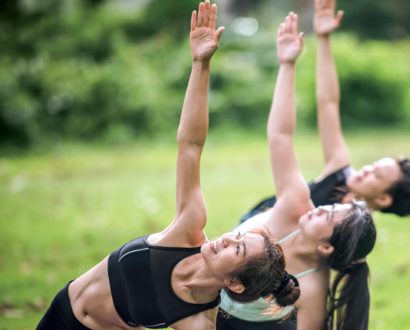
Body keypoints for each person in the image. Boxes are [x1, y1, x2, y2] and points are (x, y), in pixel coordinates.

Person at [36, 2, 298, 329]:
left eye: (238, 248)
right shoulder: (188, 229)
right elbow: (190, 145)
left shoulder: (197, 320)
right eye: (236, 237)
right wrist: (200, 63)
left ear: (234, 284)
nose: (227, 238)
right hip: (63, 312)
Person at [216, 12, 375, 330]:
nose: (319, 208)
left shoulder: (312, 288)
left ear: (325, 248)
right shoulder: (295, 205)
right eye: (329, 207)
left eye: (326, 217)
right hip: (203, 300)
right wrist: (287, 65)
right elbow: (280, 137)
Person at [239, 0, 410, 224]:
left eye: (376, 175)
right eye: (373, 166)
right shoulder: (341, 171)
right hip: (250, 223)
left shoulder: (348, 231)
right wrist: (324, 37)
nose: (366, 170)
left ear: (384, 199)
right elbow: (328, 103)